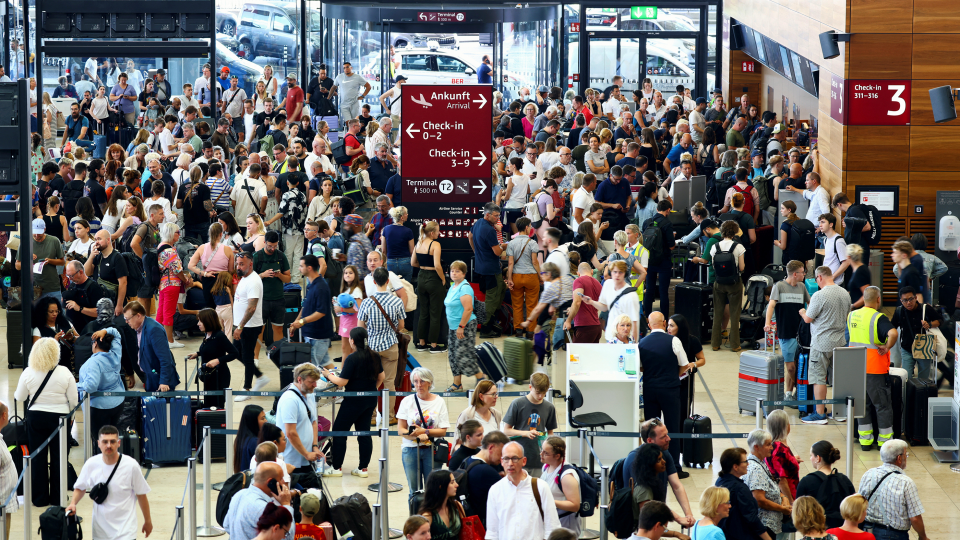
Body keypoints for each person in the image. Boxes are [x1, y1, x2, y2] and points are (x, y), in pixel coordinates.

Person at [14, 337, 78, 507]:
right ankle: (57, 498)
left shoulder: (28, 372)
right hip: (60, 420)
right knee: (59, 458)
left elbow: (19, 397)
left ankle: (39, 498)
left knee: (37, 458)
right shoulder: (65, 372)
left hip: (36, 418)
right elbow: (74, 400)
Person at [67, 426, 153, 539]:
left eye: (112, 441)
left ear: (119, 443)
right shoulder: (91, 464)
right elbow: (80, 487)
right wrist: (73, 503)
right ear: (98, 443)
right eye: (105, 442)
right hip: (100, 533)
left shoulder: (131, 465)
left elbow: (141, 494)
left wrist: (148, 521)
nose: (109, 445)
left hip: (126, 532)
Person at [321, 327, 384, 478]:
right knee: (364, 433)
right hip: (370, 400)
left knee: (339, 431)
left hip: (353, 401)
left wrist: (328, 375)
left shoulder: (352, 358)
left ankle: (336, 468)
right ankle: (363, 468)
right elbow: (381, 377)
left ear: (353, 341)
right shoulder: (374, 355)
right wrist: (370, 389)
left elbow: (342, 382)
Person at [847, 286, 898, 449]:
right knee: (882, 406)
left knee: (862, 406)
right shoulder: (878, 318)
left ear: (864, 298)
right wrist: (887, 347)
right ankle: (884, 442)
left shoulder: (852, 315)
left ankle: (865, 441)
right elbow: (893, 333)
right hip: (874, 370)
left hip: (855, 368)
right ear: (878, 299)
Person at [799, 267, 851, 424]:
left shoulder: (819, 295)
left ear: (819, 277)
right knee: (838, 378)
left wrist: (802, 312)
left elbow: (808, 318)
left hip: (821, 343)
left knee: (818, 378)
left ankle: (820, 414)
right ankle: (840, 412)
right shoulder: (845, 293)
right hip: (840, 342)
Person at [486, 441, 561, 540]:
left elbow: (552, 526)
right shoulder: (495, 490)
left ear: (524, 461)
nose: (510, 463)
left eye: (515, 458)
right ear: (501, 461)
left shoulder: (540, 487)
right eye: (506, 459)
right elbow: (492, 531)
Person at [358, 266, 406, 421]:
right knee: (389, 383)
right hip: (391, 346)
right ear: (388, 281)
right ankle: (390, 416)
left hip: (371, 347)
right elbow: (401, 326)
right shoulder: (397, 302)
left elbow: (360, 327)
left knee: (371, 382)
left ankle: (371, 416)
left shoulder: (366, 302)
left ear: (373, 281)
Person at [858, 439, 927, 540]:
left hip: (867, 532)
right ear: (899, 458)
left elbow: (859, 504)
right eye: (905, 454)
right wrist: (923, 536)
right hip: (894, 535)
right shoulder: (906, 482)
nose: (906, 457)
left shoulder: (869, 474)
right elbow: (915, 518)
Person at [397, 367, 450, 494]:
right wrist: (416, 437)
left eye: (422, 381)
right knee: (414, 490)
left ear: (430, 382)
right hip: (410, 450)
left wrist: (425, 432)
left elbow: (443, 431)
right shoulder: (407, 401)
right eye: (415, 381)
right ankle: (415, 513)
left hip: (432, 451)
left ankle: (431, 514)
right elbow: (401, 429)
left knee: (433, 490)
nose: (419, 385)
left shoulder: (439, 401)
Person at [764, 260, 811, 401]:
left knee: (798, 364)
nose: (804, 275)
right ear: (795, 274)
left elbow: (810, 304)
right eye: (803, 272)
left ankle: (790, 393)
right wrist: (767, 323)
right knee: (790, 367)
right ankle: (799, 386)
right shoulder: (779, 286)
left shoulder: (802, 287)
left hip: (800, 333)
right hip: (785, 333)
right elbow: (771, 305)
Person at [77, 327, 125, 450]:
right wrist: (105, 331)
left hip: (98, 408)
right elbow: (116, 333)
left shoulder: (92, 363)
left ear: (95, 343)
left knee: (100, 441)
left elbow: (91, 386)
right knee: (112, 435)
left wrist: (74, 385)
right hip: (117, 402)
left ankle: (102, 462)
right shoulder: (115, 354)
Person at [502, 372, 557, 476]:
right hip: (519, 457)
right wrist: (525, 433)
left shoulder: (549, 407)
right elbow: (506, 431)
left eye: (544, 393)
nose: (541, 396)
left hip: (539, 459)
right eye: (537, 392)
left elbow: (550, 434)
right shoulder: (517, 404)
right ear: (530, 387)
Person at [223, 462, 296, 540]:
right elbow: (287, 537)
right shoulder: (264, 508)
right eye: (281, 478)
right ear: (270, 482)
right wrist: (286, 504)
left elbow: (226, 525)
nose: (283, 482)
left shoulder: (238, 495)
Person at [233, 251, 271, 400]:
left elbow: (251, 308)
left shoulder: (253, 281)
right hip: (242, 325)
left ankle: (247, 389)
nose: (239, 267)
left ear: (251, 264)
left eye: (242, 264)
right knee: (236, 352)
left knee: (247, 356)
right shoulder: (245, 277)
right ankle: (259, 376)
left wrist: (240, 326)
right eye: (237, 264)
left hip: (249, 326)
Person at [275, 363, 324, 480]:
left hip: (307, 458)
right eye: (311, 382)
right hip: (292, 460)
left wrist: (315, 446)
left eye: (316, 381)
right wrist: (306, 454)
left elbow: (313, 422)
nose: (315, 385)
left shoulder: (310, 394)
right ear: (299, 379)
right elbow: (290, 433)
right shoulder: (290, 399)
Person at [443, 260, 485, 390]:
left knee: (463, 354)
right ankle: (457, 383)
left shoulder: (465, 287)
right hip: (453, 326)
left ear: (464, 274)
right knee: (453, 354)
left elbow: (468, 309)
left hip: (465, 326)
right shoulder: (453, 286)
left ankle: (481, 378)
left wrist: (461, 327)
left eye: (457, 271)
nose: (454, 273)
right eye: (452, 271)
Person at [716, 447, 773, 540]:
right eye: (745, 461)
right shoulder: (740, 489)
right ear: (735, 467)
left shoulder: (720, 481)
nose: (748, 464)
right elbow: (751, 518)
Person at [796, 441, 856, 529]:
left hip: (816, 531)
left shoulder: (807, 481)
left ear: (818, 458)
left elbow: (798, 511)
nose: (810, 458)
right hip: (842, 530)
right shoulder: (844, 480)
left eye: (811, 455)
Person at [745, 430, 793, 539]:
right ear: (756, 447)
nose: (771, 447)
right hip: (764, 524)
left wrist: (784, 497)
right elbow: (759, 500)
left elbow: (772, 485)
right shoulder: (756, 469)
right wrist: (782, 509)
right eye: (768, 444)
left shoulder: (760, 462)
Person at [123, 301, 180, 392]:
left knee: (162, 406)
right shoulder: (139, 328)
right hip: (150, 377)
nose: (126, 322)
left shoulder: (154, 330)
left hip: (160, 382)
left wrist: (164, 382)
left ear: (138, 316)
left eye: (128, 319)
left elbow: (165, 358)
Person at [188, 308, 239, 409]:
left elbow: (234, 353)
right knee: (208, 404)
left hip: (219, 377)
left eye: (200, 321)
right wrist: (198, 353)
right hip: (209, 377)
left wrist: (218, 360)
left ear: (208, 321)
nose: (198, 324)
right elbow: (212, 349)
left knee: (216, 406)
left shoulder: (219, 336)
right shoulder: (207, 334)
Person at [889, 286, 941, 381]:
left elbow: (940, 320)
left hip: (924, 348)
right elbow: (892, 327)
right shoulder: (899, 311)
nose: (908, 303)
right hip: (907, 348)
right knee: (905, 377)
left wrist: (929, 324)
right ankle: (908, 395)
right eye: (905, 300)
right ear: (901, 301)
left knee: (923, 379)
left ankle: (921, 395)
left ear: (915, 298)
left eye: (910, 299)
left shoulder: (926, 308)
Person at [471, 204, 508, 338]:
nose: (498, 218)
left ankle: (491, 322)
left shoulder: (477, 224)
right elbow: (497, 252)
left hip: (482, 267)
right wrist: (504, 246)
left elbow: (470, 237)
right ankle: (486, 328)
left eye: (499, 215)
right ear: (488, 214)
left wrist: (477, 252)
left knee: (501, 289)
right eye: (496, 216)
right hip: (491, 270)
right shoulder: (489, 230)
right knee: (492, 298)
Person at [584, 260, 640, 342]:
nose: (617, 275)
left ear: (625, 274)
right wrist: (591, 302)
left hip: (624, 339)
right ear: (610, 273)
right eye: (615, 272)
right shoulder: (608, 284)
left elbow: (635, 323)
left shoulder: (631, 296)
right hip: (610, 336)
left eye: (620, 272)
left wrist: (634, 345)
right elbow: (604, 307)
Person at [765, 410, 801, 539]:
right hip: (785, 498)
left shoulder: (774, 446)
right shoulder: (780, 449)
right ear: (786, 426)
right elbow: (781, 480)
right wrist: (791, 502)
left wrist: (793, 460)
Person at [253, 230, 290, 350]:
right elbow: (249, 280)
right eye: (270, 246)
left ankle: (277, 356)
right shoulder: (257, 257)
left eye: (275, 246)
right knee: (259, 330)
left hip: (278, 298)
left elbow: (288, 278)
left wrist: (279, 275)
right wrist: (262, 275)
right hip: (261, 299)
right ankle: (256, 359)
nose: (272, 248)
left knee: (278, 328)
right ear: (264, 242)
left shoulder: (281, 256)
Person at [413, 221, 446, 353]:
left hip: (421, 277)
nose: (439, 233)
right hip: (433, 278)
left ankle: (421, 343)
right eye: (438, 231)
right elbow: (437, 265)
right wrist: (443, 278)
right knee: (435, 313)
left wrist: (423, 267)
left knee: (423, 312)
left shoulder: (419, 243)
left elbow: (412, 262)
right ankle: (433, 345)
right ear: (432, 233)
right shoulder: (435, 244)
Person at [15, 218, 65, 302]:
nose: (37, 236)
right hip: (33, 287)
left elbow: (62, 261)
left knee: (57, 312)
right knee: (35, 314)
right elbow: (17, 266)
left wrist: (50, 261)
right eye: (35, 233)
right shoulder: (25, 243)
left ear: (44, 229)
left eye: (39, 233)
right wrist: (28, 259)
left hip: (52, 286)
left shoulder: (54, 241)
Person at [642, 200, 677, 315]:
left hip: (649, 261)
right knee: (663, 292)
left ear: (657, 209)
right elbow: (671, 246)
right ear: (668, 210)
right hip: (663, 262)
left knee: (649, 291)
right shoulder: (667, 223)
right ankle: (665, 320)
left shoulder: (647, 222)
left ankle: (647, 318)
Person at [668, 313, 706, 420]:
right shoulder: (667, 340)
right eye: (668, 325)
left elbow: (702, 360)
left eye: (672, 326)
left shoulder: (692, 341)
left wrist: (693, 364)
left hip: (685, 380)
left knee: (684, 408)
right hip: (670, 379)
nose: (668, 328)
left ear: (680, 327)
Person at [418, 470, 465, 540]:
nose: (457, 485)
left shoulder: (457, 506)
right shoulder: (428, 515)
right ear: (441, 486)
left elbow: (466, 531)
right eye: (452, 482)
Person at [564, 262, 603, 343]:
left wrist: (568, 320)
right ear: (592, 271)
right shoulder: (598, 284)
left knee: (577, 355)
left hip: (584, 327)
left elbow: (577, 302)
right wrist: (572, 309)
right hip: (596, 327)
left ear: (578, 273)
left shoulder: (579, 281)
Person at [455, 379, 503, 444]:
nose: (496, 397)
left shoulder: (497, 415)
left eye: (496, 393)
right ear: (481, 396)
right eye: (493, 394)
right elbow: (458, 445)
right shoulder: (467, 415)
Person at [234, 405, 267, 474]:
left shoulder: (241, 438)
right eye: (262, 418)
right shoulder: (254, 442)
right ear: (253, 422)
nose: (266, 421)